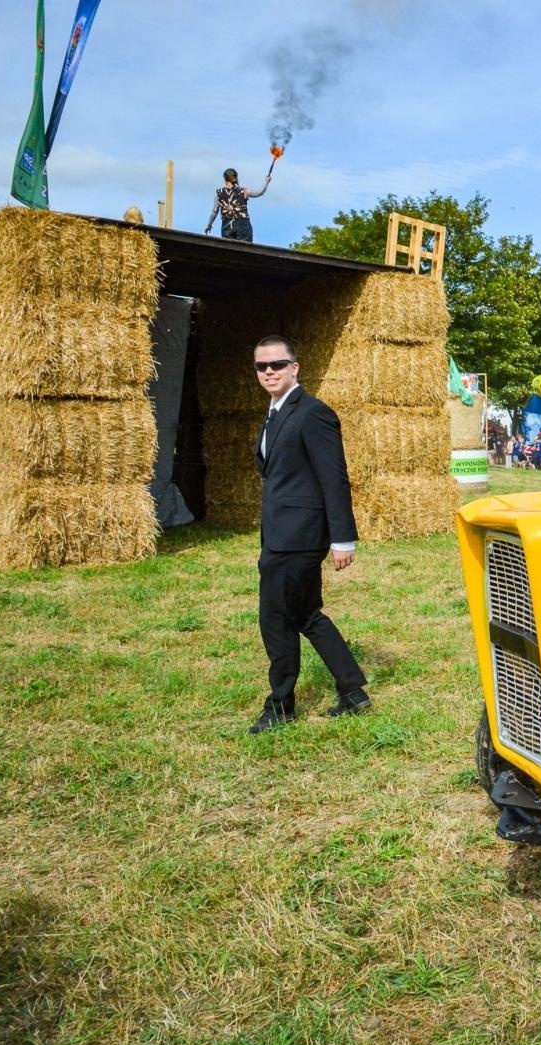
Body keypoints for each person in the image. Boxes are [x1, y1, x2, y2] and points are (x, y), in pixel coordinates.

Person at [248, 335, 371, 734]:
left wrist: (342, 539)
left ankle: (280, 706)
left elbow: (334, 478)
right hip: (282, 532)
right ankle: (353, 690)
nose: (269, 372)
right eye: (261, 367)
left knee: (276, 619)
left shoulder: (313, 413)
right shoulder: (275, 412)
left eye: (277, 365)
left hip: (298, 537)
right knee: (305, 614)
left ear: (294, 368)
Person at [205, 167, 269, 242]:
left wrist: (209, 225)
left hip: (227, 225)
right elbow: (259, 192)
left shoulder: (219, 193)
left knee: (228, 251)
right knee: (245, 251)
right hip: (243, 224)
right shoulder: (243, 191)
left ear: (225, 179)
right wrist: (266, 181)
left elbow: (214, 211)